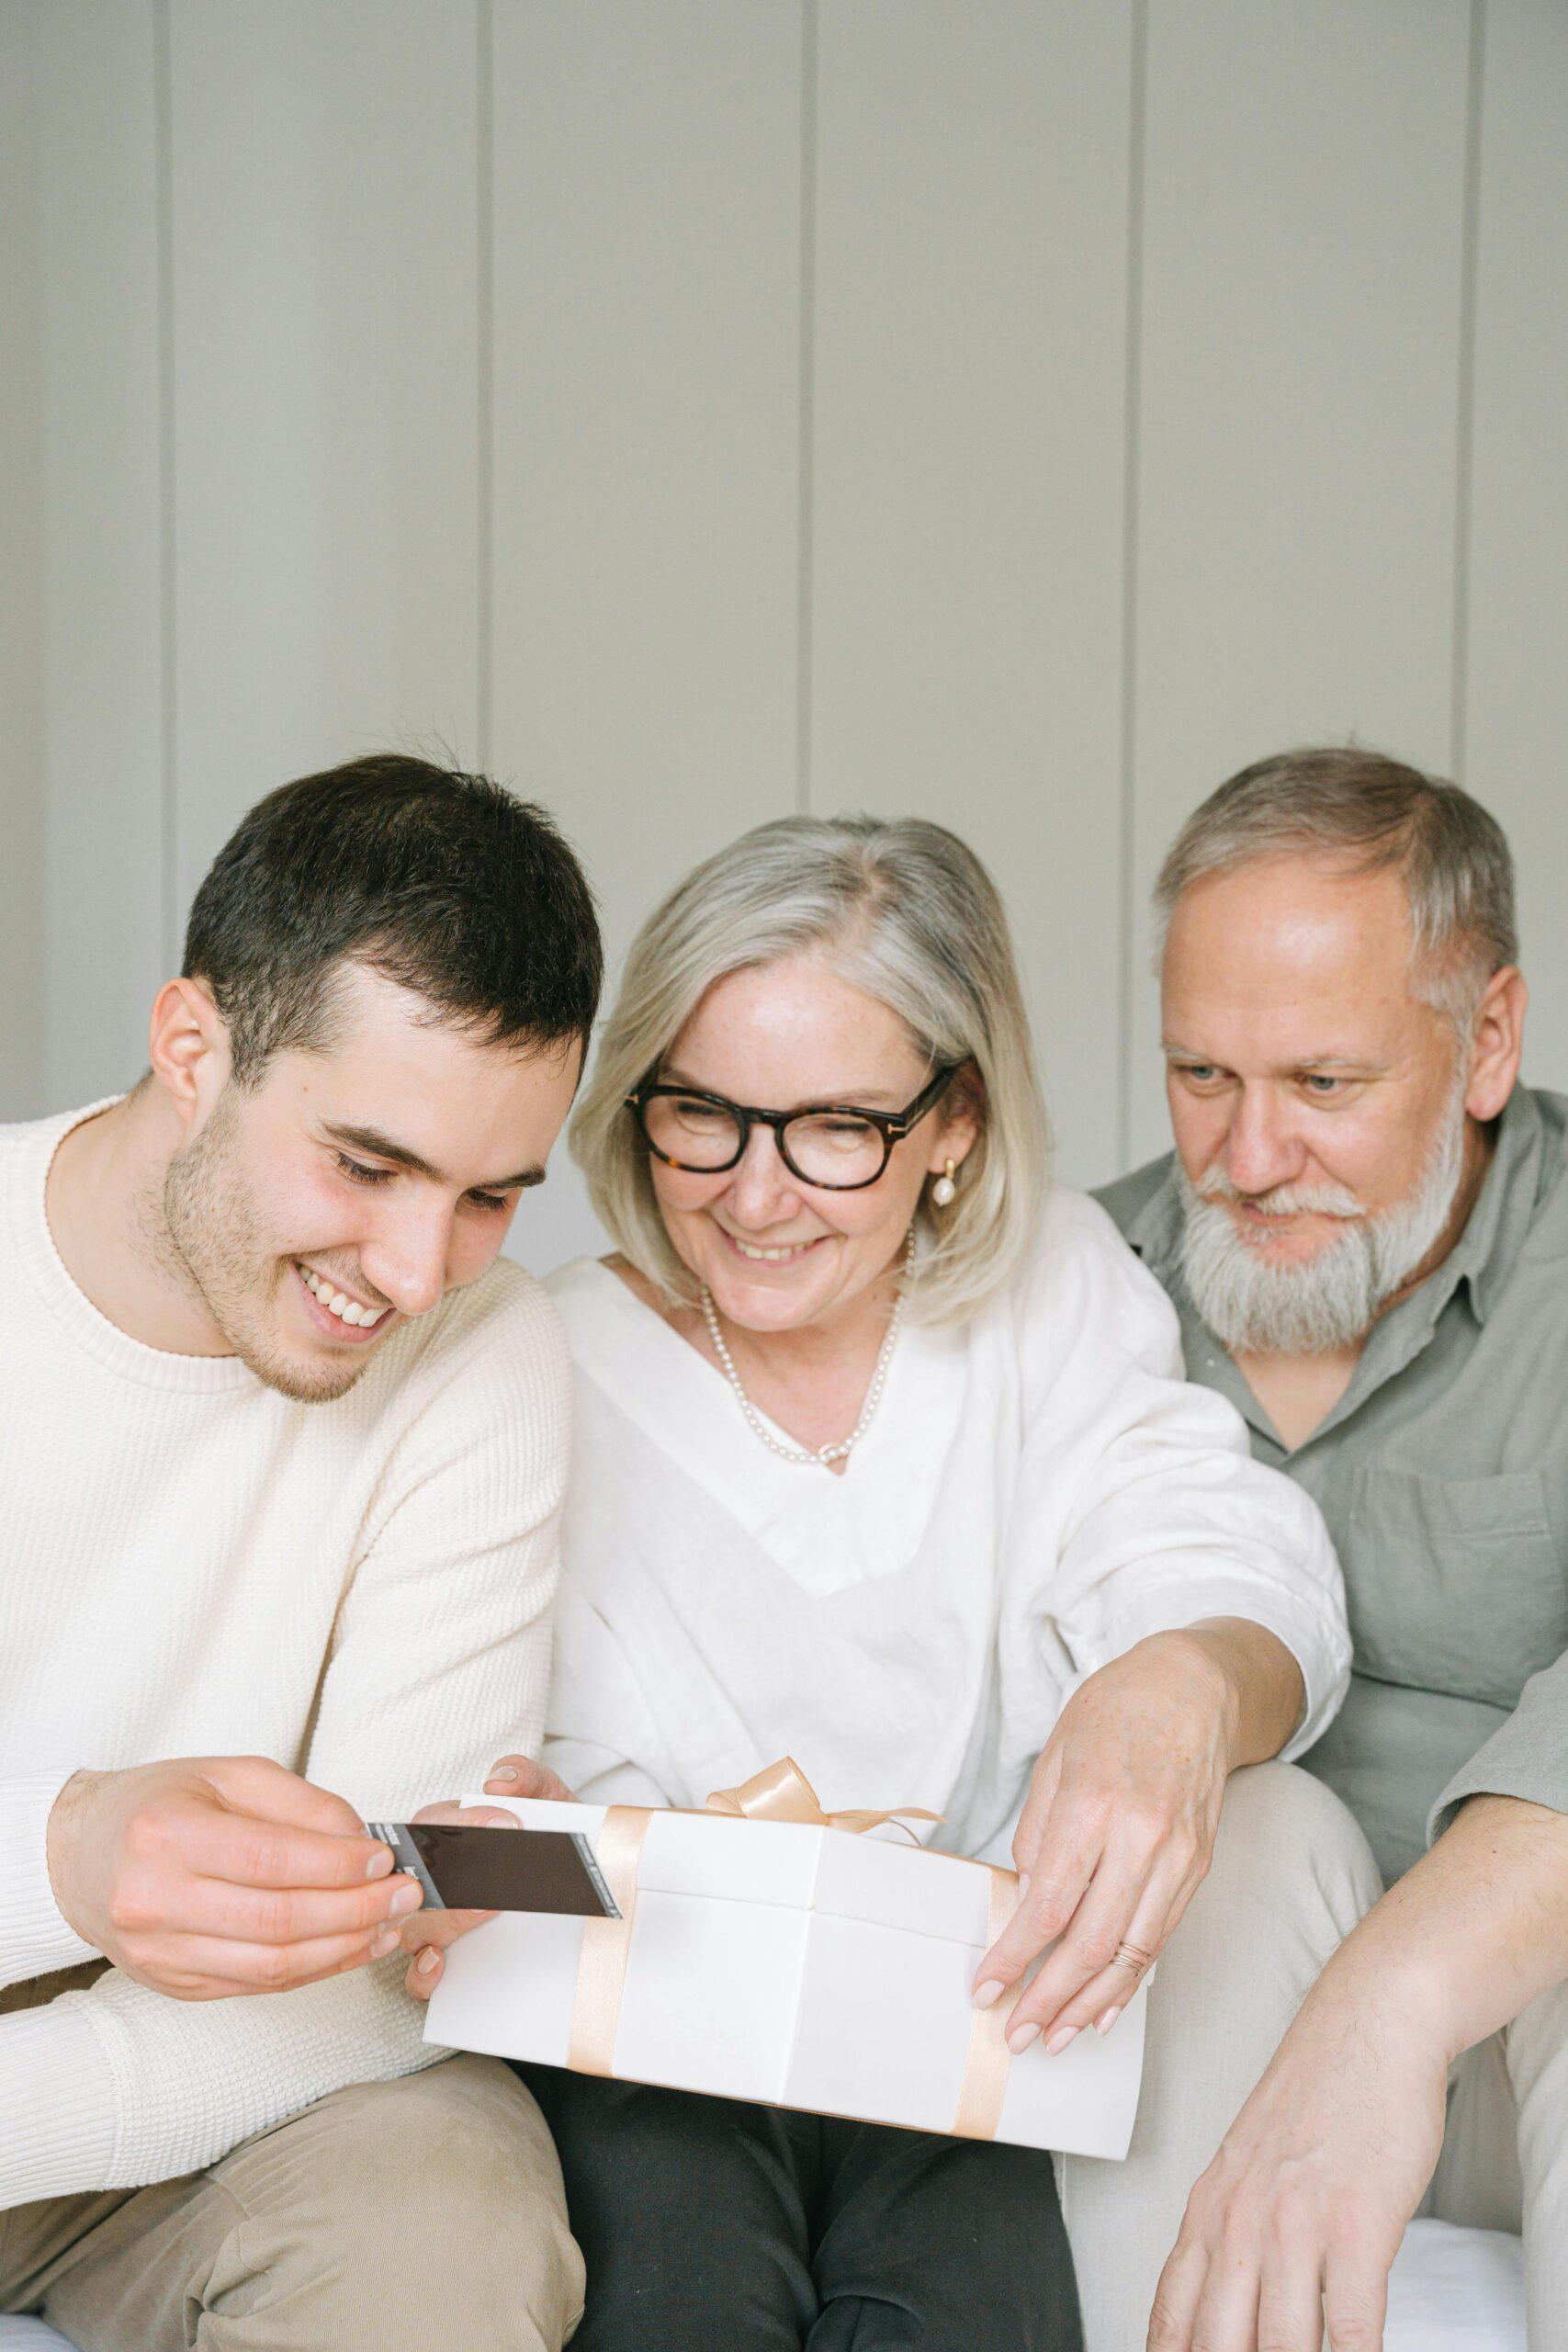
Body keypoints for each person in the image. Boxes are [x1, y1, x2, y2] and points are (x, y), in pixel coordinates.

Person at [406, 812, 1365, 2351]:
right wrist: (496, 1834)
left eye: (838, 1127)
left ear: (955, 1121)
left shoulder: (1048, 1292)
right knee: (679, 2300)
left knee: (971, 2307)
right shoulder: (533, 1356)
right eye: (700, 1114)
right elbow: (434, 1799)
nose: (757, 1193)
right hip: (645, 2032)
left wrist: (1181, 1675)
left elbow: (1218, 1549)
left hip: (962, 2023)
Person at [0, 754, 602, 2352]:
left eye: (489, 1197)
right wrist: (64, 1859)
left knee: (451, 2222)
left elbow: (383, 1954)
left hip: (222, 2088)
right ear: (193, 1049)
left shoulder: (487, 1354)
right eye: (367, 1164)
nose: (416, 1271)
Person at [1097, 747, 1568, 2351]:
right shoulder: (1077, 1291)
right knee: (1261, 1820)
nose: (1245, 1159)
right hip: (1204, 2001)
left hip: (1513, 2029)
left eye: (1324, 1085)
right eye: (1200, 1076)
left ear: (1487, 1039)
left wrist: (1388, 2003)